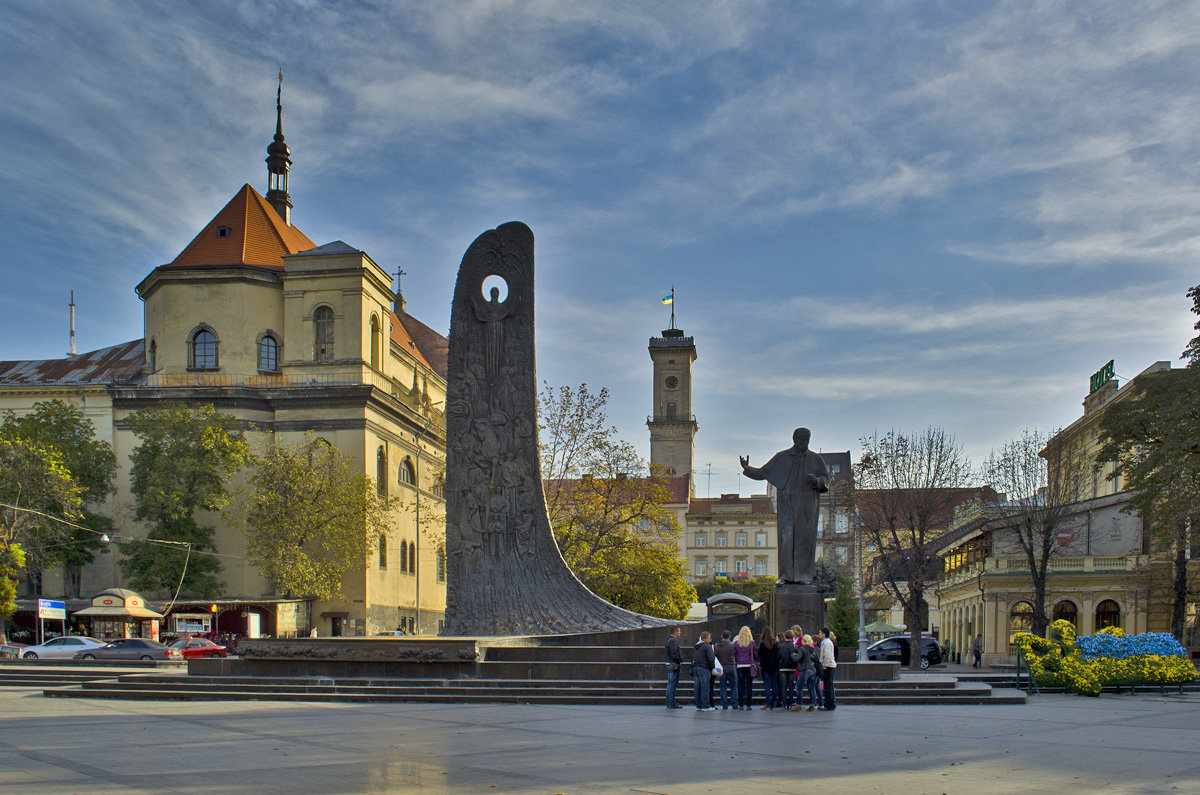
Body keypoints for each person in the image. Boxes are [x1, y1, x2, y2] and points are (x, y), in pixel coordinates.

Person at [739, 428, 829, 584]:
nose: (804, 443)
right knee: (786, 538)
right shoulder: (782, 457)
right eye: (801, 440)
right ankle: (785, 576)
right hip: (786, 505)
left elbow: (825, 479)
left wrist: (817, 480)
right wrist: (747, 469)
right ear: (795, 440)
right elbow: (763, 473)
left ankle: (803, 577)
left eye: (807, 440)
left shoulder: (815, 459)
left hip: (806, 507)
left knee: (804, 540)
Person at [732, 625, 758, 710]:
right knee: (749, 685)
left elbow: (734, 654)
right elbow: (754, 654)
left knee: (740, 685)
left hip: (740, 665)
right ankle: (749, 704)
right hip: (749, 665)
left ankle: (741, 704)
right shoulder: (752, 643)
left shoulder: (736, 643)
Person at [693, 631, 717, 711]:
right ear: (707, 639)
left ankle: (698, 705)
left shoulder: (696, 646)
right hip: (704, 668)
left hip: (696, 668)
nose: (710, 640)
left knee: (697, 687)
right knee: (705, 687)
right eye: (710, 638)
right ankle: (706, 705)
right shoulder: (707, 646)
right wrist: (713, 667)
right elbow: (711, 658)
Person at [714, 630, 737, 709]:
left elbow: (715, 655)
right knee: (733, 686)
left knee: (722, 686)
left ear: (721, 636)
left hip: (722, 667)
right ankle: (734, 703)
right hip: (731, 666)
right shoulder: (732, 645)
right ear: (730, 636)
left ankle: (724, 704)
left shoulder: (717, 645)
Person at [758, 627, 780, 710]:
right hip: (774, 666)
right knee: (774, 684)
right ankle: (773, 703)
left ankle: (768, 703)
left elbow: (760, 654)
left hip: (765, 666)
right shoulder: (775, 643)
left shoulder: (763, 643)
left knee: (767, 685)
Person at [777, 630, 799, 710]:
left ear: (785, 637)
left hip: (783, 668)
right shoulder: (795, 647)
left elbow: (778, 656)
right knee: (791, 686)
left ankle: (784, 703)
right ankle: (790, 703)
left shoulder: (781, 646)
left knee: (783, 686)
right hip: (792, 668)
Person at [799, 634, 821, 710]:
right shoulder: (813, 649)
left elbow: (798, 658)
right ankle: (814, 704)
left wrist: (793, 655)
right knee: (812, 687)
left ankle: (798, 704)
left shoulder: (802, 649)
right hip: (813, 669)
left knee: (799, 687)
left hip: (805, 669)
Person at [818, 626, 837, 710]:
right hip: (829, 666)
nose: (819, 635)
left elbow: (827, 655)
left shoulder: (826, 642)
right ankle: (830, 703)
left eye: (820, 633)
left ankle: (829, 704)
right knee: (829, 685)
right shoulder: (827, 642)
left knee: (828, 686)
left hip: (828, 666)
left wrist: (824, 665)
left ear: (824, 634)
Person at [664, 626, 683, 709]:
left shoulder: (669, 640)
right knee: (672, 684)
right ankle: (671, 702)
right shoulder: (673, 641)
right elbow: (674, 654)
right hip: (674, 664)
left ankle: (669, 702)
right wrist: (679, 660)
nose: (680, 632)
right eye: (679, 631)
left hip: (670, 664)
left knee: (670, 684)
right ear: (675, 632)